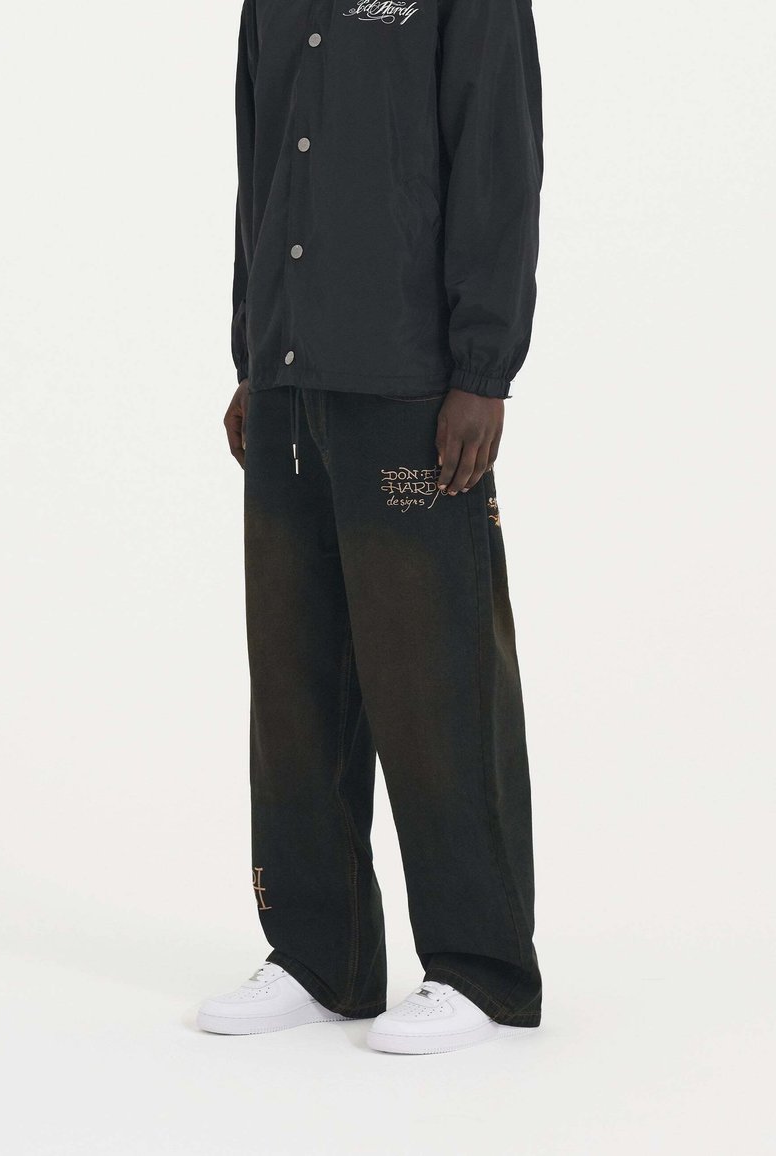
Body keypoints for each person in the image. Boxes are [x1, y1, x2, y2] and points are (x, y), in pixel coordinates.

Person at [198, 0, 544, 1055]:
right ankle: (321, 955)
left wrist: (482, 371)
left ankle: (480, 969)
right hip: (289, 377)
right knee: (293, 689)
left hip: (412, 383)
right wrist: (253, 352)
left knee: (437, 684)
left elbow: (497, 156)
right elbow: (260, 167)